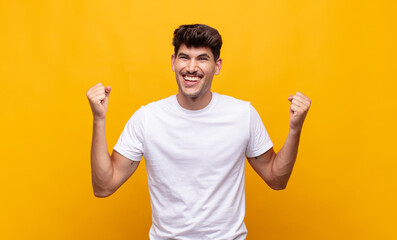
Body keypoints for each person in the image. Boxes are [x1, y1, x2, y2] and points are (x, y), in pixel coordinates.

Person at [86, 24, 311, 240]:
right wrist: (99, 119)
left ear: (217, 65)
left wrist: (295, 129)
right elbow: (104, 186)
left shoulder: (243, 114)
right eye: (184, 57)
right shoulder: (147, 118)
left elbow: (276, 179)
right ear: (174, 62)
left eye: (202, 58)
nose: (191, 68)